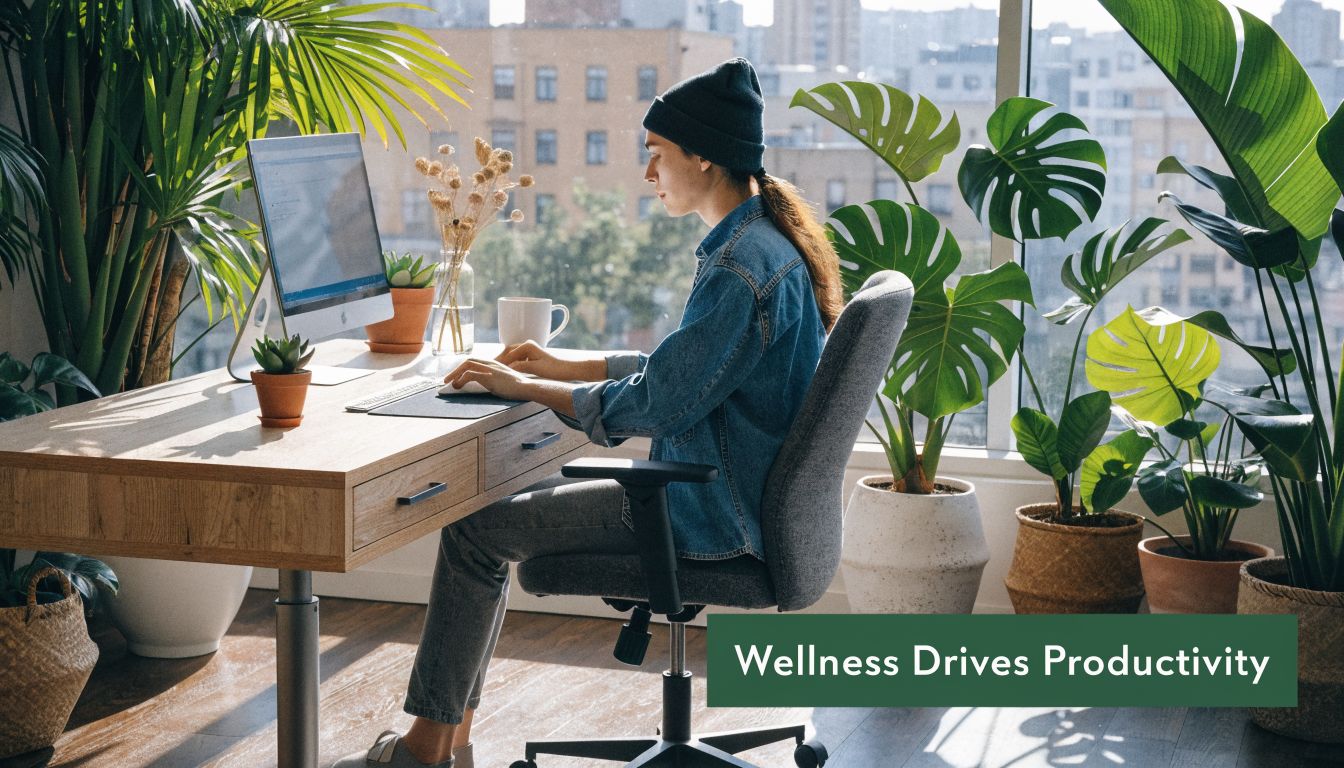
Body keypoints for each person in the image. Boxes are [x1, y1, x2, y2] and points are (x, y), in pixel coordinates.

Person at [333, 57, 842, 768]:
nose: (648, 174)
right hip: (743, 507)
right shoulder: (767, 248)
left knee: (477, 532)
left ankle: (426, 750)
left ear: (702, 156)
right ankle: (451, 745)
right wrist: (560, 365)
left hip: (705, 517)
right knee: (496, 513)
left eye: (656, 156)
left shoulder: (739, 269)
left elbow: (661, 400)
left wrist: (525, 389)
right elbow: (689, 375)